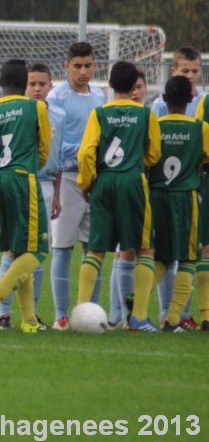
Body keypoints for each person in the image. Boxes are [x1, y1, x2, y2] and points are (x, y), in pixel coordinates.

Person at [75, 61, 161, 332]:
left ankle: (80, 312)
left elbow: (86, 153)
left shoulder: (99, 113)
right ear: (133, 84)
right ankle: (139, 318)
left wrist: (87, 183)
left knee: (96, 249)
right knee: (144, 248)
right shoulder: (146, 114)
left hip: (104, 181)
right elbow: (154, 154)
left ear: (110, 84)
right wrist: (138, 159)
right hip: (132, 180)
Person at [0, 59, 51, 333]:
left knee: (19, 250)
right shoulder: (35, 107)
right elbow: (44, 149)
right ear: (26, 83)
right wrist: (29, 169)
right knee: (38, 249)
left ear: (0, 83)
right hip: (22, 178)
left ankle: (28, 321)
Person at [0, 63, 63, 330]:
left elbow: (56, 158)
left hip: (44, 185)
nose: (36, 89)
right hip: (24, 184)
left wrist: (57, 194)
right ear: (24, 86)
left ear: (50, 86)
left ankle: (30, 314)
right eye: (32, 84)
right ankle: (2, 310)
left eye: (41, 84)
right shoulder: (19, 112)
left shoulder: (58, 115)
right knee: (25, 249)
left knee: (33, 251)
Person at [46, 42, 105, 330]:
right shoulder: (56, 97)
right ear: (66, 66)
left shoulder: (100, 96)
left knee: (94, 248)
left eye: (88, 65)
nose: (83, 71)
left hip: (95, 181)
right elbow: (55, 141)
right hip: (68, 178)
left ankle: (91, 313)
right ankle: (61, 315)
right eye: (78, 66)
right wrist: (84, 151)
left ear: (95, 66)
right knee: (63, 247)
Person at [145, 76, 209, 332]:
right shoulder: (200, 127)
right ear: (192, 99)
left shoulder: (155, 125)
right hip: (185, 198)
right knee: (187, 257)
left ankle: (134, 305)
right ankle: (172, 319)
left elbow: (147, 158)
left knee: (161, 256)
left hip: (157, 195)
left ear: (164, 98)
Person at [107, 69, 148, 329]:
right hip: (130, 185)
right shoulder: (115, 114)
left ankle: (119, 315)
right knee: (128, 251)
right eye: (134, 86)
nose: (136, 91)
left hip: (139, 186)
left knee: (126, 252)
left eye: (140, 87)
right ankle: (120, 314)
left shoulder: (148, 114)